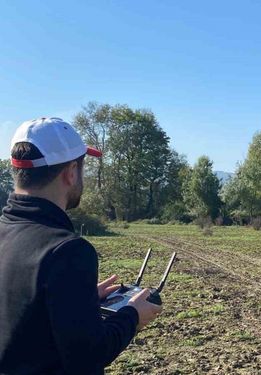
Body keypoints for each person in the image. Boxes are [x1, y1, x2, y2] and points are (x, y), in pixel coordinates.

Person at [0, 117, 162, 374]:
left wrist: (78, 300)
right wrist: (132, 316)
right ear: (71, 172)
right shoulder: (67, 251)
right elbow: (88, 355)